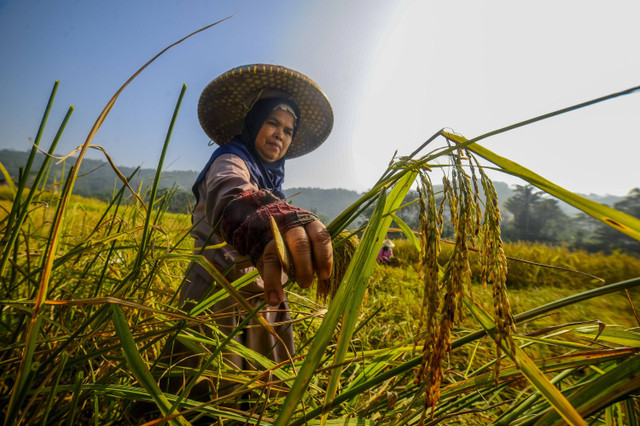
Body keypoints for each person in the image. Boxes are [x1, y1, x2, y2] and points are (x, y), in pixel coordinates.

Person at [179, 64, 334, 377]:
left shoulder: (273, 184)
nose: (280, 133)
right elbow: (231, 192)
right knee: (207, 391)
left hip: (264, 299)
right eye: (272, 122)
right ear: (254, 122)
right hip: (216, 294)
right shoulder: (230, 160)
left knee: (262, 390)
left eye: (289, 130)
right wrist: (268, 220)